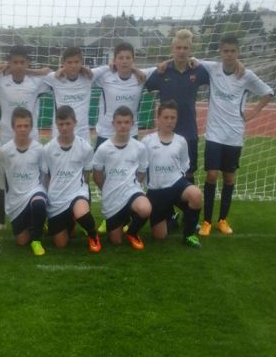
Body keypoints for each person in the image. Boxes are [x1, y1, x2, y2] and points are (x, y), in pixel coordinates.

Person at [197, 35, 274, 235]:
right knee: (212, 175)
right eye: (226, 51)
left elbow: (268, 92)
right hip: (214, 134)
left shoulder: (246, 75)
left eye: (233, 51)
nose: (229, 55)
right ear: (220, 52)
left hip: (234, 134)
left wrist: (253, 112)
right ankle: (206, 221)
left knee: (229, 178)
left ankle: (222, 220)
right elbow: (191, 60)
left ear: (238, 53)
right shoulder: (212, 69)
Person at [0, 45, 49, 234]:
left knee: (36, 178)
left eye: (22, 62)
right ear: (9, 63)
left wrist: (32, 71)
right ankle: (0, 220)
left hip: (31, 141)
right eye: (15, 62)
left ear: (27, 63)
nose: (19, 66)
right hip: (7, 141)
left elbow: (51, 74)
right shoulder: (0, 82)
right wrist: (0, 69)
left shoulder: (36, 82)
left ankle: (40, 216)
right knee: (4, 180)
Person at [144, 29, 209, 183]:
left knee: (188, 172)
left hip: (189, 129)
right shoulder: (162, 71)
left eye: (185, 48)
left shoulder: (198, 71)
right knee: (163, 168)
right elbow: (145, 84)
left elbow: (218, 71)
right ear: (172, 49)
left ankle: (188, 199)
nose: (181, 51)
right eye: (178, 47)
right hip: (166, 130)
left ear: (190, 50)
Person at [142, 101, 203, 248]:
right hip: (156, 191)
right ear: (158, 118)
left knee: (196, 194)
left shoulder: (181, 141)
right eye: (166, 117)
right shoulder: (147, 141)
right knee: (159, 236)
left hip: (176, 185)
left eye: (173, 118)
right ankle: (172, 219)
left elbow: (184, 166)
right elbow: (141, 167)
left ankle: (189, 235)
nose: (169, 121)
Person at [41, 106, 101, 252]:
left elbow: (86, 175)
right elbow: (46, 177)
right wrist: (48, 197)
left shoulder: (85, 147)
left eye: (68, 123)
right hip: (57, 198)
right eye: (61, 124)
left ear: (75, 123)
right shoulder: (48, 149)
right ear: (56, 124)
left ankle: (93, 234)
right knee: (61, 244)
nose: (64, 127)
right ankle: (70, 222)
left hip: (76, 193)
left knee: (81, 211)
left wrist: (83, 194)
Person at [92, 106, 151, 249]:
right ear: (113, 124)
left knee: (145, 208)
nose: (123, 126)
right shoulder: (103, 148)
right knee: (116, 241)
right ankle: (123, 220)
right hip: (112, 198)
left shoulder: (139, 147)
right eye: (119, 122)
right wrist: (107, 188)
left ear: (132, 124)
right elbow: (97, 176)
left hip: (131, 192)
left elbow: (141, 173)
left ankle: (132, 232)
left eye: (126, 122)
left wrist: (132, 185)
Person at [0, 107, 48, 256]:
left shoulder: (39, 149)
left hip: (34, 191)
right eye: (19, 126)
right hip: (16, 200)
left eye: (26, 126)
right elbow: (1, 180)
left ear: (31, 127)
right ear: (13, 127)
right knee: (21, 241)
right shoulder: (4, 151)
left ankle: (36, 240)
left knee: (39, 203)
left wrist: (45, 195)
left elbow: (44, 175)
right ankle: (34, 223)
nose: (23, 129)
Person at [92, 42, 155, 148]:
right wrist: (107, 67)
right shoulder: (105, 76)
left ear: (133, 60)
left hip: (130, 133)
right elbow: (83, 74)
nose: (124, 61)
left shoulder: (141, 76)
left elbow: (164, 67)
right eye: (121, 58)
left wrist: (135, 70)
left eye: (128, 58)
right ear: (114, 60)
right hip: (106, 133)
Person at [42, 46, 107, 142]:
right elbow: (40, 73)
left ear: (82, 62)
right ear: (63, 63)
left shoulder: (88, 76)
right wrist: (58, 71)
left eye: (77, 62)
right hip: (61, 133)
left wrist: (86, 69)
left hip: (83, 134)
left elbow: (108, 68)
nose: (73, 65)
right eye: (69, 62)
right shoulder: (55, 78)